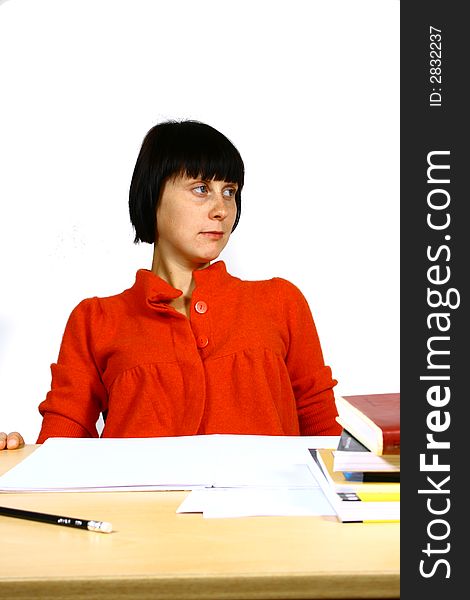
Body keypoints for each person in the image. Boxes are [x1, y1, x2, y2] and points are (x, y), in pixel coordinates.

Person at [1, 120, 341, 449]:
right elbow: (59, 451)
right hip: (129, 508)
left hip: (265, 507)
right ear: (153, 194)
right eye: (201, 189)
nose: (221, 208)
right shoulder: (96, 320)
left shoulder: (280, 302)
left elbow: (324, 435)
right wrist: (14, 454)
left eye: (230, 192)